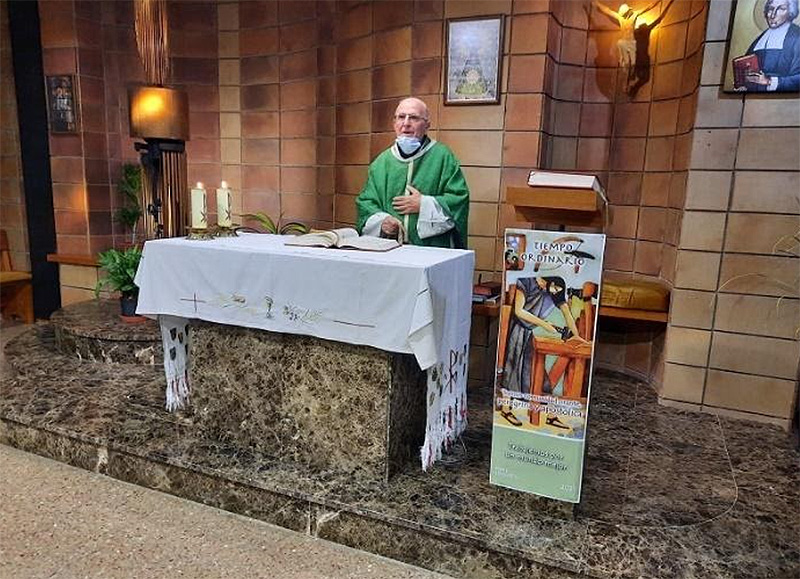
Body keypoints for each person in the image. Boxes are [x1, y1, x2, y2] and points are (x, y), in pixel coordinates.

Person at [355, 97, 469, 248]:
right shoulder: (381, 163)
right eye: (401, 117)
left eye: (414, 118)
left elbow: (459, 199)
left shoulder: (442, 157)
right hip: (390, 250)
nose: (406, 123)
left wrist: (424, 204)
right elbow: (366, 203)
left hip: (432, 249)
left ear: (427, 125)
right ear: (394, 123)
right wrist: (382, 221)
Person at [500, 276, 583, 429]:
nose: (557, 292)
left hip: (529, 335)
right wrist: (544, 324)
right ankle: (506, 409)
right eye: (556, 288)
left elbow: (566, 314)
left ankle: (550, 415)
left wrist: (577, 336)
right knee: (512, 369)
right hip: (517, 332)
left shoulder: (553, 293)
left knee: (539, 375)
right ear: (550, 280)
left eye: (559, 290)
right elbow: (519, 311)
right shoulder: (526, 283)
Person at [592, 0, 675, 93]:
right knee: (630, 66)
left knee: (631, 66)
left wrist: (598, 5)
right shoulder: (624, 17)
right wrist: (597, 5)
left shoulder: (626, 17)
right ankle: (627, 84)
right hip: (628, 44)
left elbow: (607, 10)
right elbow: (607, 11)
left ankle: (628, 83)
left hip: (629, 44)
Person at [742, 0, 800, 92]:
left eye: (781, 9)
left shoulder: (797, 37)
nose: (773, 15)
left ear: (790, 12)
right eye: (770, 9)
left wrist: (770, 81)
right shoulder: (761, 39)